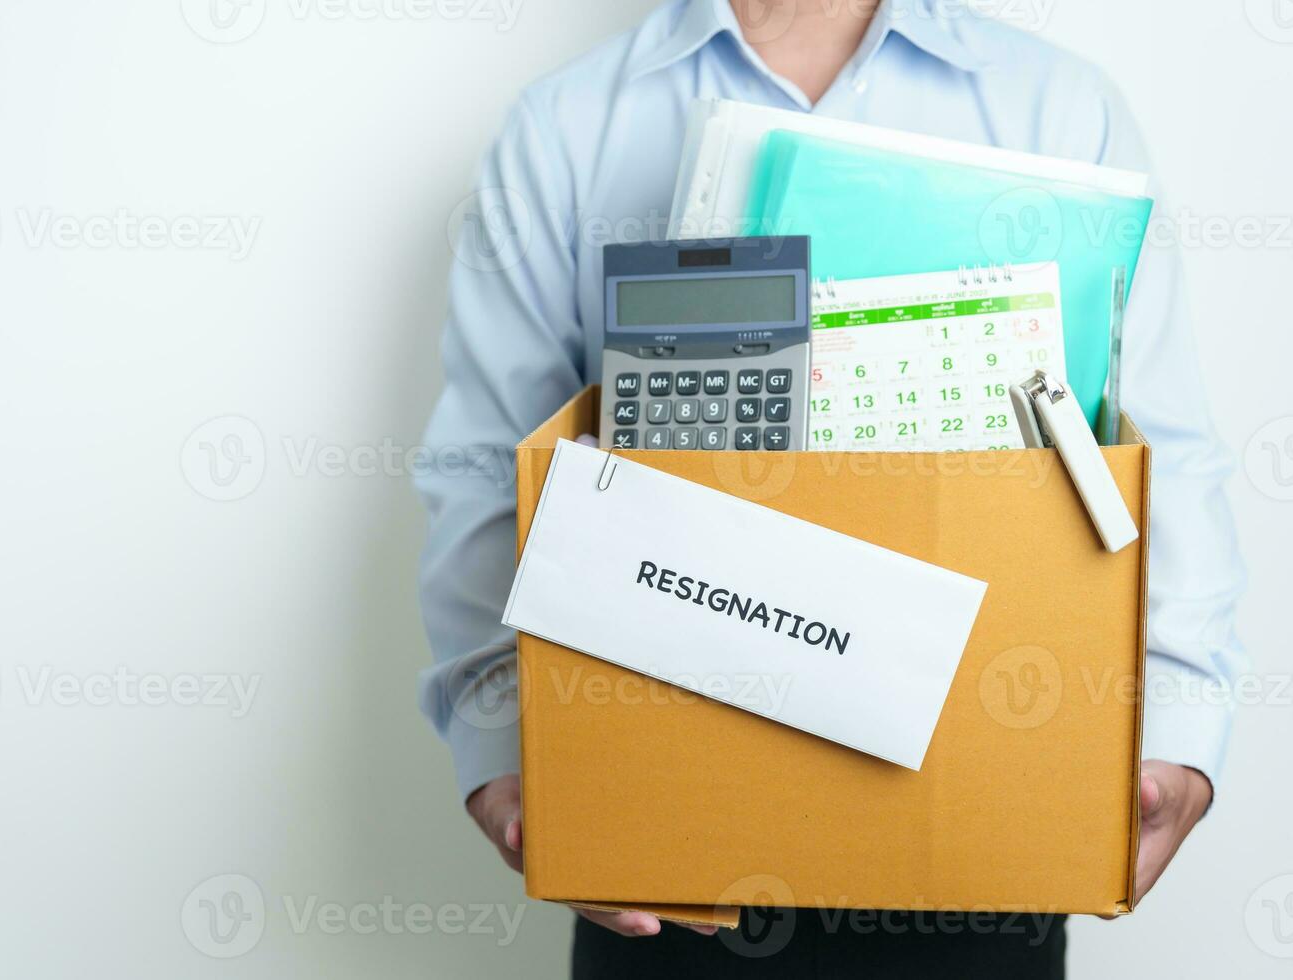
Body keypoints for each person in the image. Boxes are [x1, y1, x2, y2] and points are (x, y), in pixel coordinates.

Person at [416, 1, 1247, 975]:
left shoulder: (1059, 107)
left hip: (983, 831)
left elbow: (1165, 453)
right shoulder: (565, 126)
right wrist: (501, 751)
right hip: (666, 843)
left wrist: (1183, 732)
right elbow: (488, 459)